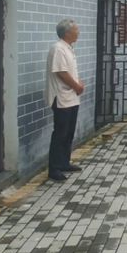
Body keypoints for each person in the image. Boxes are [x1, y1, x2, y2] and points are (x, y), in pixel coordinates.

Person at [46, 19, 84, 182]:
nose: (78, 32)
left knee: (69, 132)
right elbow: (61, 72)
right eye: (76, 29)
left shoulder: (68, 48)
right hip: (61, 97)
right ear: (67, 33)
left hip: (72, 96)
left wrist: (78, 83)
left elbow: (71, 71)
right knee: (60, 133)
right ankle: (54, 169)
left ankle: (64, 163)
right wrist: (77, 86)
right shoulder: (58, 48)